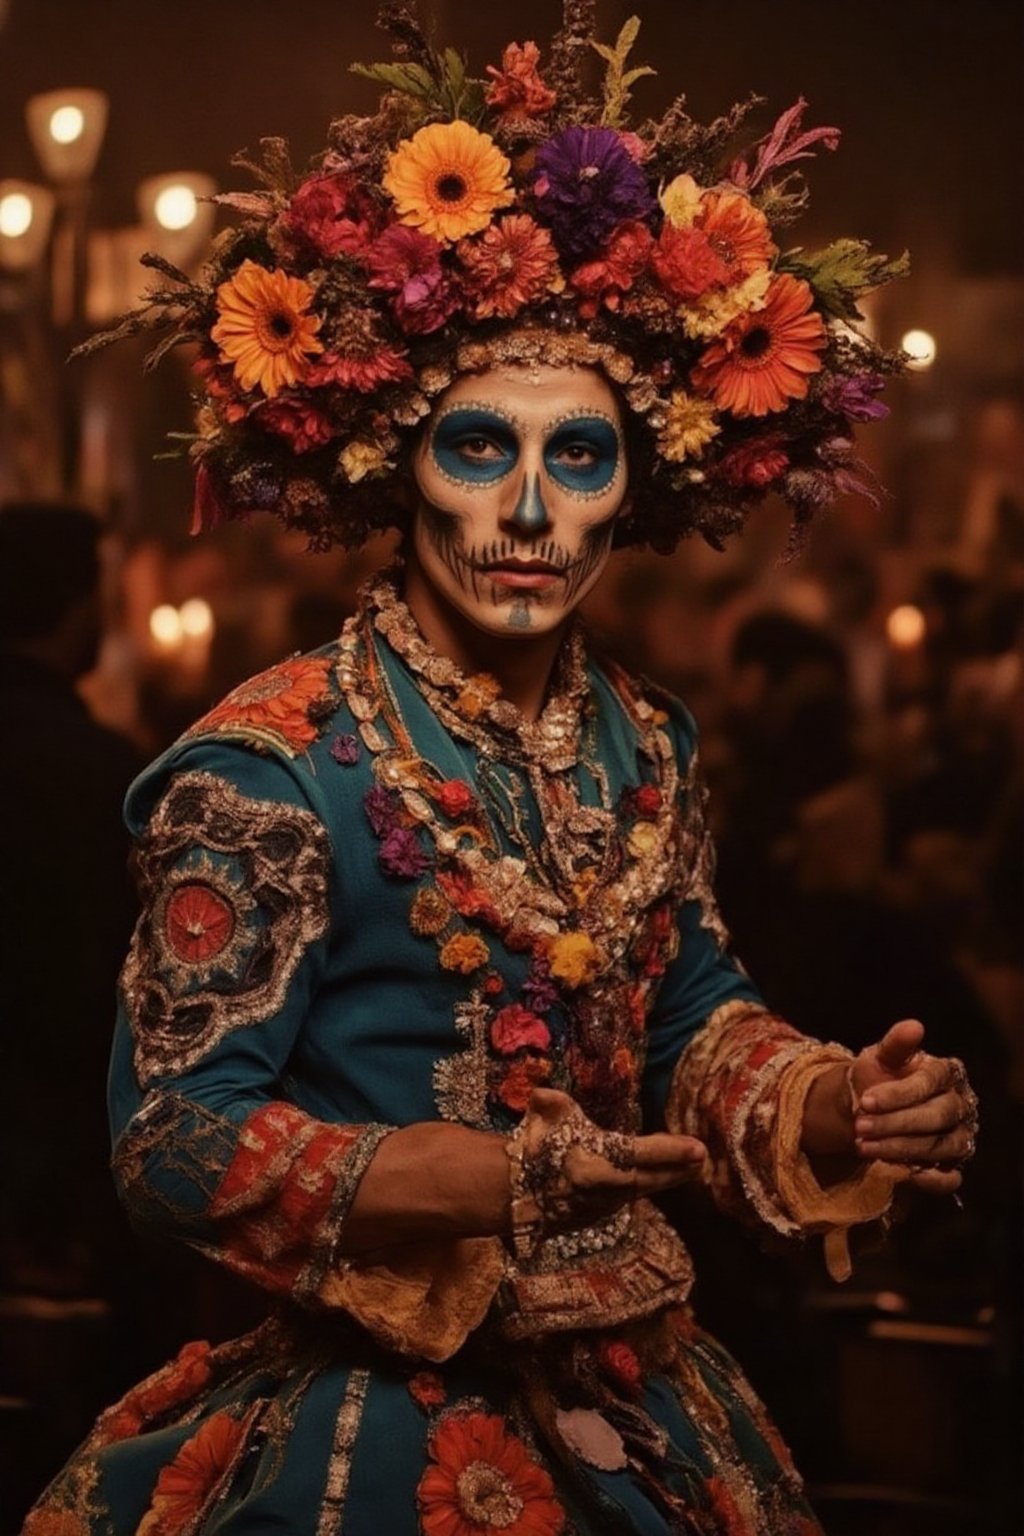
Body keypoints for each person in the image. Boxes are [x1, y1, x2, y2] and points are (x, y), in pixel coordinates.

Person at [26, 6, 979, 1532]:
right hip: (375, 1410)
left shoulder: (645, 742)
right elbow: (175, 1137)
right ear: (389, 468)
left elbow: (685, 1014)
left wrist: (827, 1105)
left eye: (580, 457)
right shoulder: (271, 766)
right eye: (479, 448)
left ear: (638, 487)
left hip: (648, 1386)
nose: (529, 509)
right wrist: (490, 1184)